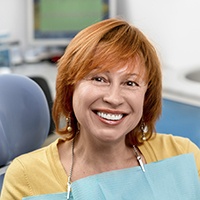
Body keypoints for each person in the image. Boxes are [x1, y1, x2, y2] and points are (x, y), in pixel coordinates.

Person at [1, 18, 200, 200]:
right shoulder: (26, 179)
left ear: (146, 97)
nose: (114, 98)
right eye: (99, 79)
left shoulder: (183, 155)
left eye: (130, 83)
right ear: (70, 87)